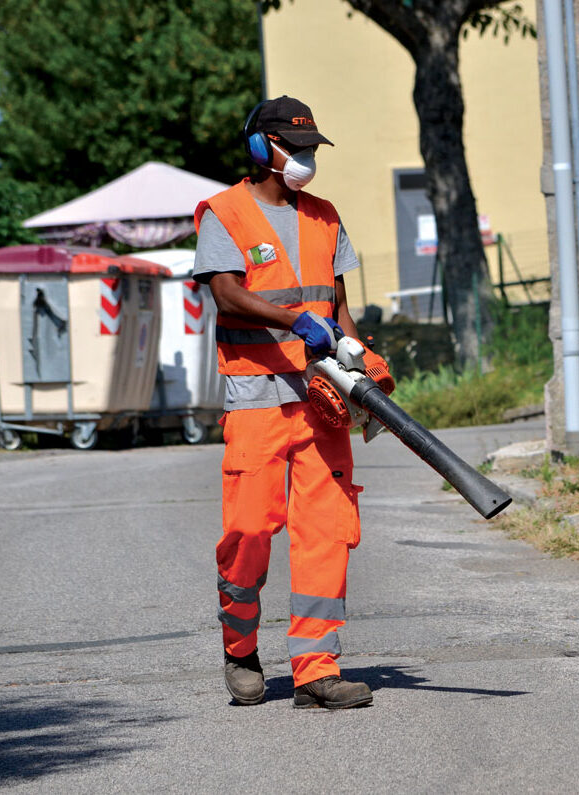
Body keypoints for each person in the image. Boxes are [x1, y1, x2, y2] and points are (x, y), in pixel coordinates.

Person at [193, 95, 389, 709]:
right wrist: (293, 320)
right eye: (295, 147)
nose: (306, 158)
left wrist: (360, 363)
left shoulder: (325, 217)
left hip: (322, 400)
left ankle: (316, 671)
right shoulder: (224, 214)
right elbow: (227, 295)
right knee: (249, 529)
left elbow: (338, 306)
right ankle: (240, 648)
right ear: (261, 148)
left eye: (311, 148)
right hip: (257, 400)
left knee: (326, 531)